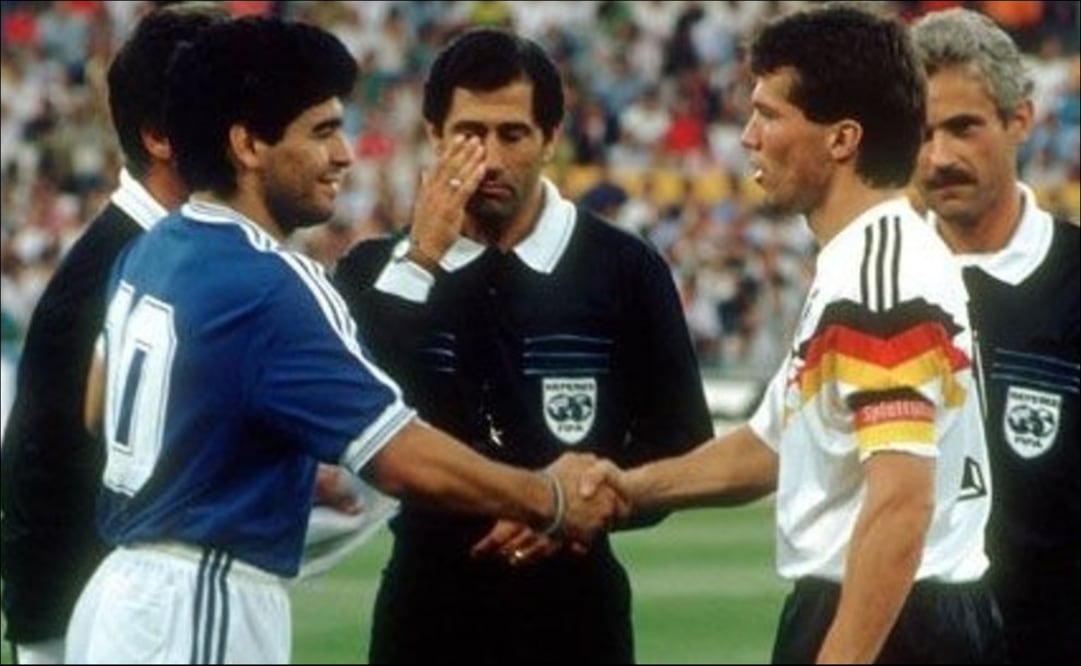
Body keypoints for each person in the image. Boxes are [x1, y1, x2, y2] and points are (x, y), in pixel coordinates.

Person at [63, 17, 622, 664]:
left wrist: (260, 463)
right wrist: (547, 498)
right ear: (248, 144)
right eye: (322, 131)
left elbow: (98, 408)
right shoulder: (271, 282)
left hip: (117, 597)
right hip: (201, 600)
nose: (344, 154)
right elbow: (398, 455)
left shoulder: (154, 246)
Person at [581, 5, 1005, 663]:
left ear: (841, 139)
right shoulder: (861, 262)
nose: (747, 136)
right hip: (887, 610)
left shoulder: (879, 283)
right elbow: (769, 445)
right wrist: (629, 488)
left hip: (894, 622)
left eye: (768, 114)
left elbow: (899, 504)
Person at [332, 28, 712, 663]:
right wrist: (421, 259)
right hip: (428, 606)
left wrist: (578, 506)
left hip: (574, 607)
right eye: (469, 133)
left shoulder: (624, 268)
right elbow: (357, 418)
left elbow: (681, 445)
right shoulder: (374, 270)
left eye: (513, 134)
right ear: (433, 137)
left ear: (552, 139)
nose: (491, 157)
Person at [0, 5, 228, 663]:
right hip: (95, 626)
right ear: (161, 137)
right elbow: (43, 475)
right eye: (233, 107)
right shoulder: (117, 273)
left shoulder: (151, 253)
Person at [911, 9, 1079, 663]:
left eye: (962, 128)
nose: (939, 157)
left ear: (1019, 121)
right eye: (920, 133)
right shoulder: (868, 282)